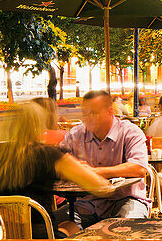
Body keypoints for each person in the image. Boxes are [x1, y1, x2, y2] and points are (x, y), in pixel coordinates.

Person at [0, 103, 113, 236]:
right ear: (38, 126)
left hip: (1, 234)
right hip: (41, 239)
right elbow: (100, 186)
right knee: (72, 225)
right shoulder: (49, 155)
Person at [59, 89, 150, 226]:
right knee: (47, 224)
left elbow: (138, 169)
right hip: (86, 204)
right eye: (85, 114)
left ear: (109, 112)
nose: (87, 118)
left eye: (93, 113)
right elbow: (58, 163)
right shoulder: (75, 135)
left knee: (126, 228)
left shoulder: (130, 132)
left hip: (126, 200)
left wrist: (94, 172)